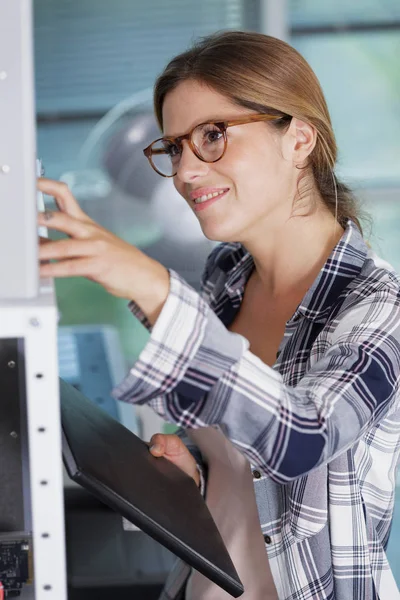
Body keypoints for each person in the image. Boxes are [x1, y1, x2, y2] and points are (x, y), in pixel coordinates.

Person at [38, 31, 400, 600]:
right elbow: (246, 459)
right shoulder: (227, 274)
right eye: (174, 148)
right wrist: (200, 470)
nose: (184, 172)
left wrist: (150, 282)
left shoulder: (379, 307)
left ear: (299, 138)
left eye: (212, 135)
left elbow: (299, 438)